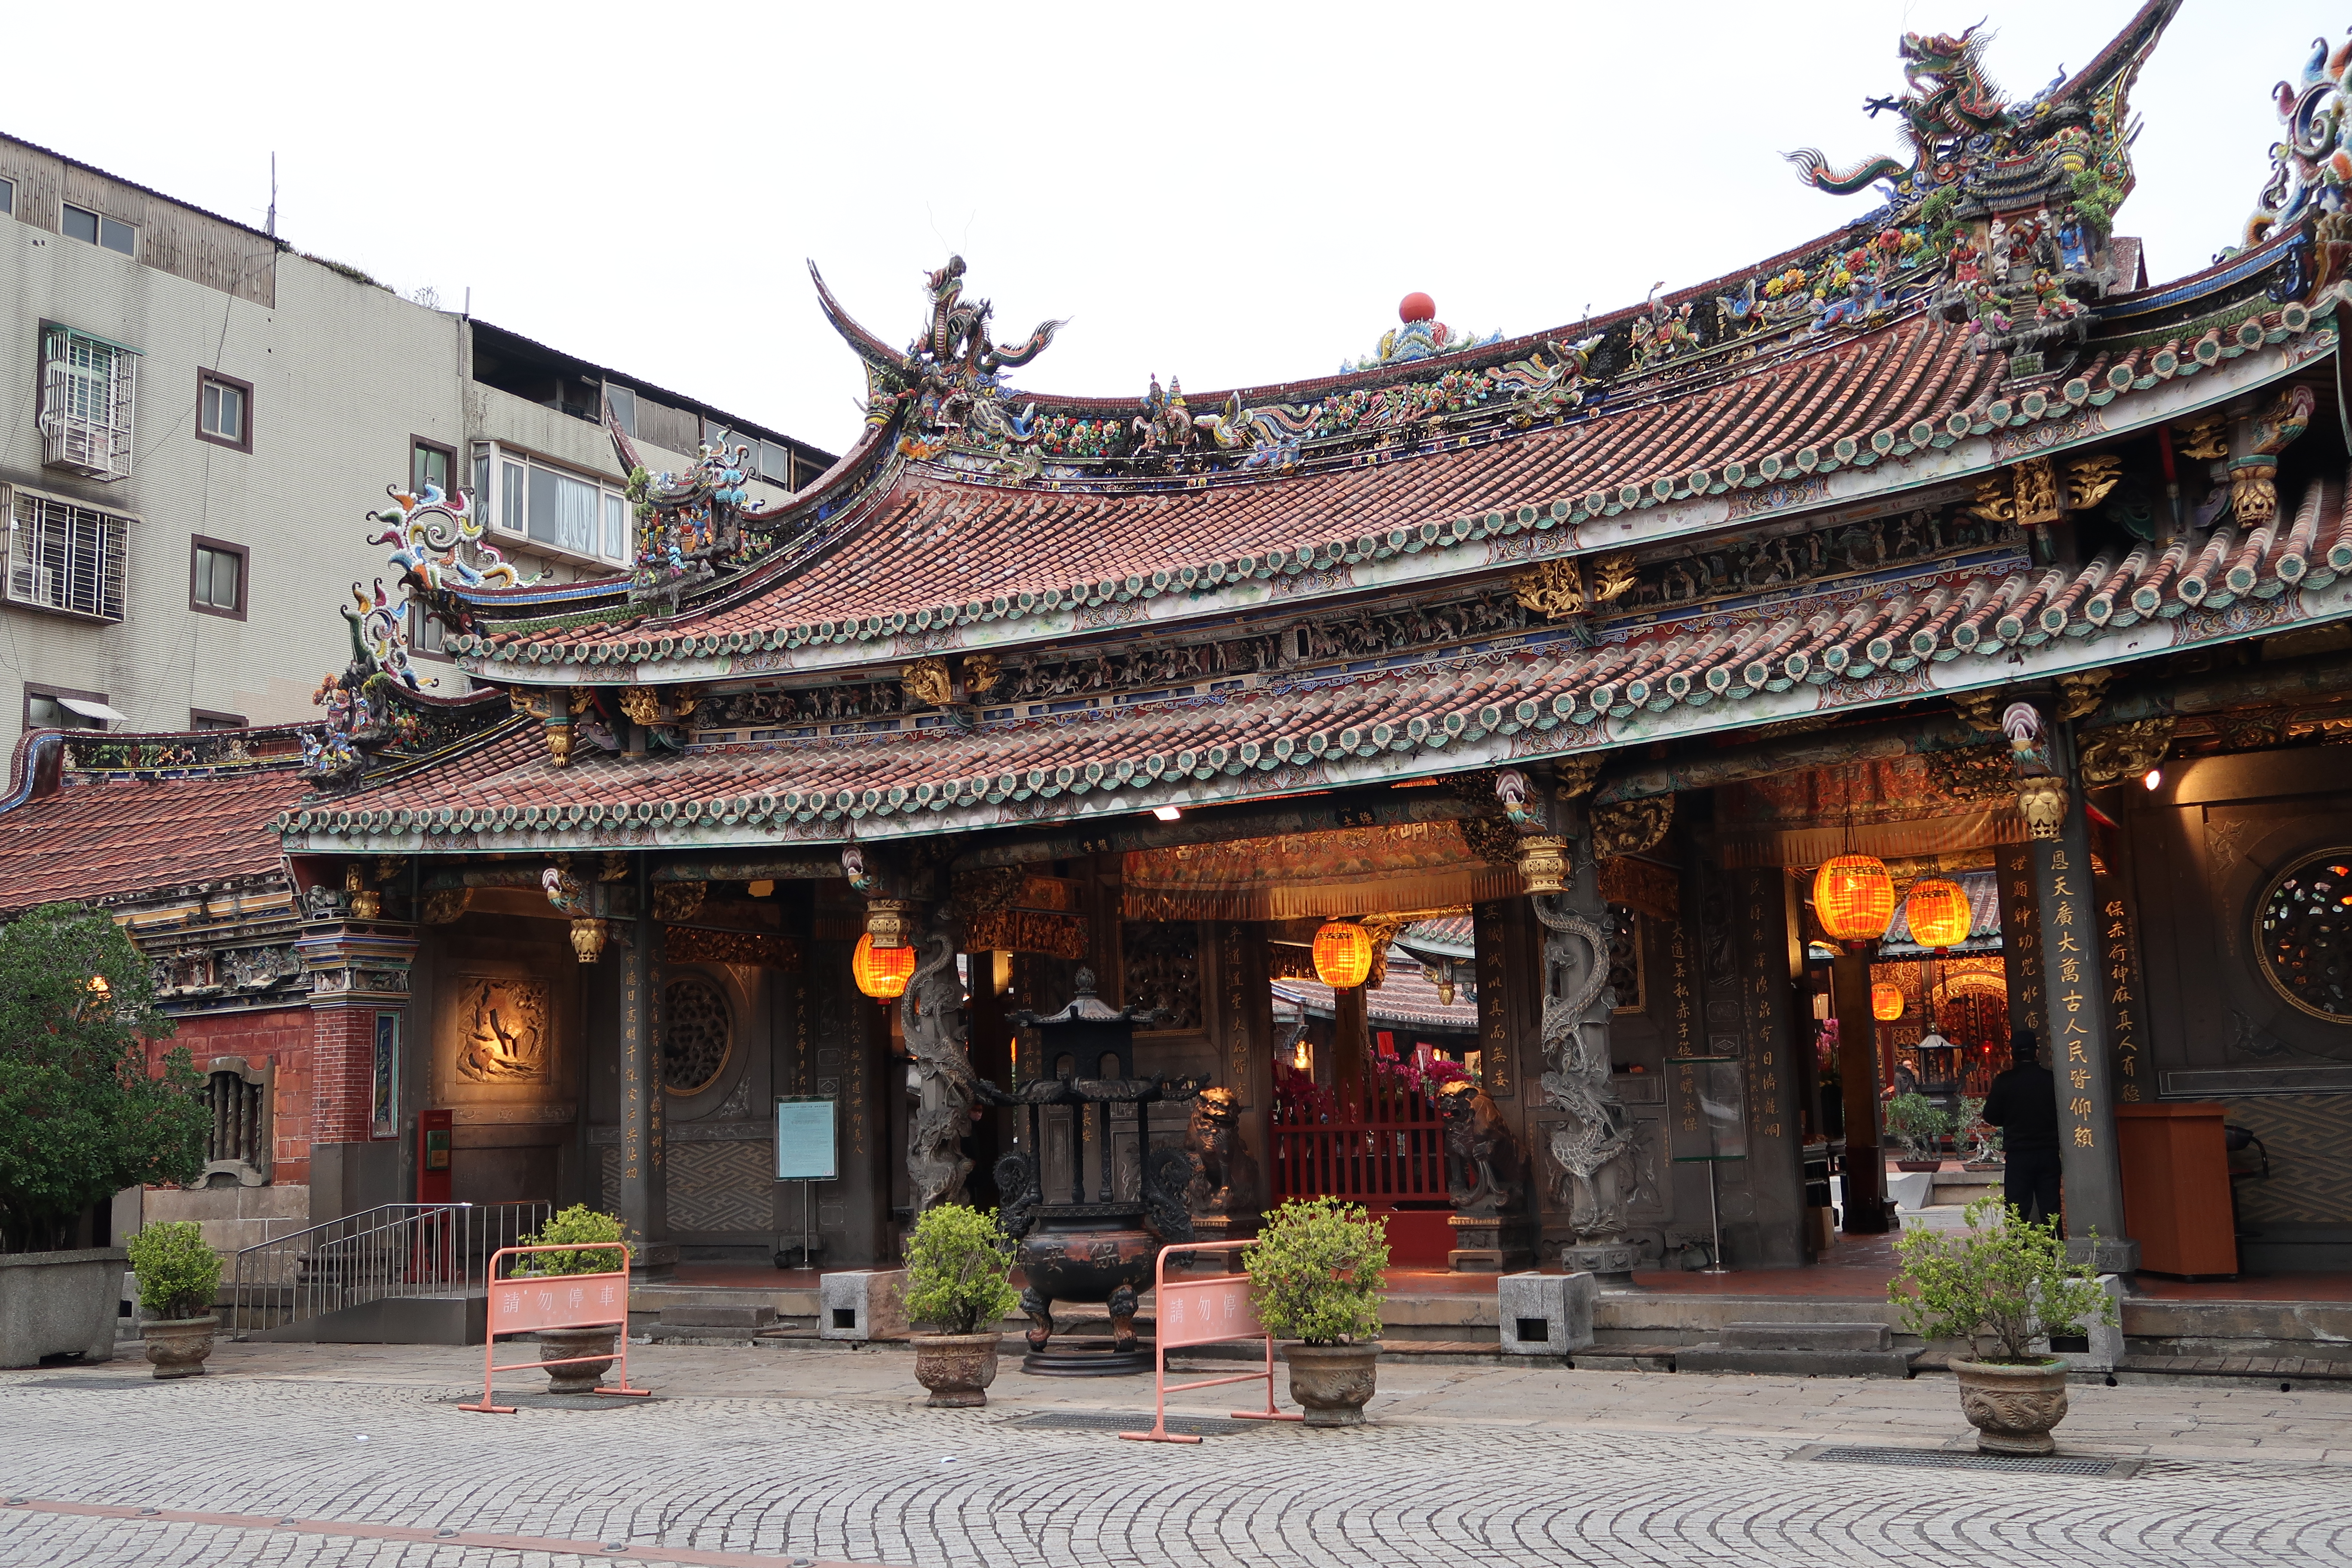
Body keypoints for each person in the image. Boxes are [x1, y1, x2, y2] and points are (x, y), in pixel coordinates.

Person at [1981, 1028, 2061, 1224]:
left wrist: (2010, 1120)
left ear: (2013, 1054)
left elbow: (1990, 1116)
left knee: (2017, 1210)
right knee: (2051, 1209)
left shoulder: (2004, 1081)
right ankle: (2054, 1244)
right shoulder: (2051, 1079)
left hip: (2018, 1153)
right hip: (2048, 1151)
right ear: (2036, 1052)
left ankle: (2019, 1244)